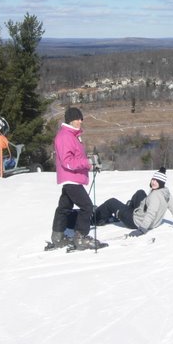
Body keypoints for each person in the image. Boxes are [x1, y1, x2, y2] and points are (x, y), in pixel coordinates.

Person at [49, 107, 105, 251]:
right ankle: (80, 238)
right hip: (71, 179)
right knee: (87, 206)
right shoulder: (65, 136)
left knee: (64, 208)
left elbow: (77, 159)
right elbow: (67, 161)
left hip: (71, 178)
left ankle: (57, 237)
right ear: (71, 120)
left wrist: (90, 166)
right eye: (78, 119)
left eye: (81, 119)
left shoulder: (72, 135)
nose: (81, 121)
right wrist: (88, 162)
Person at [93, 167, 173, 236]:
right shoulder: (166, 192)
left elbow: (151, 212)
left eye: (157, 181)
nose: (154, 182)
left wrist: (142, 229)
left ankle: (95, 218)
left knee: (111, 202)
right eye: (153, 179)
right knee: (140, 193)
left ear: (161, 183)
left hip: (135, 221)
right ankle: (128, 208)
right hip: (150, 220)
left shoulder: (154, 196)